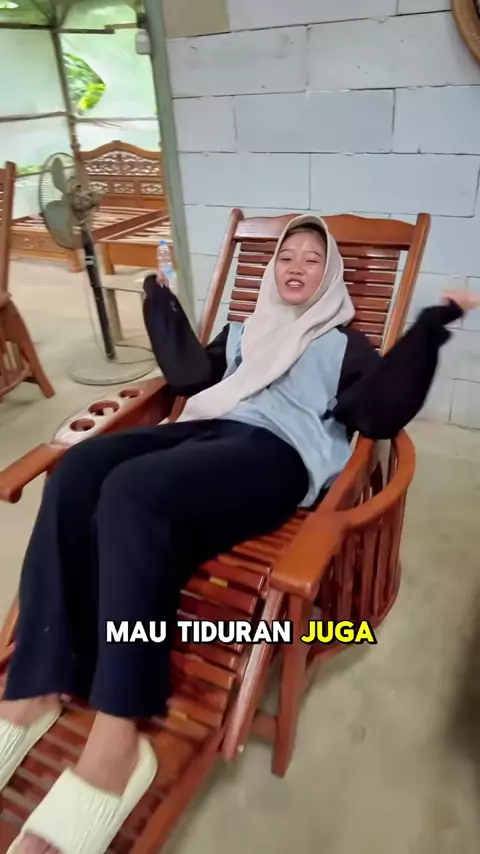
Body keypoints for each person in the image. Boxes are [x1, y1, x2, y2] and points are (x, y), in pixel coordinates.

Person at [0, 215, 477, 854]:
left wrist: (429, 328)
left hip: (276, 456)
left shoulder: (343, 345)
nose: (296, 266)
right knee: (81, 470)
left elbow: (377, 413)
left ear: (330, 275)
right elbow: (191, 379)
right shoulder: (247, 329)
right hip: (207, 429)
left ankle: (118, 740)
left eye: (312, 258)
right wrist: (160, 301)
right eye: (287, 257)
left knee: (134, 493)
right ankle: (35, 687)